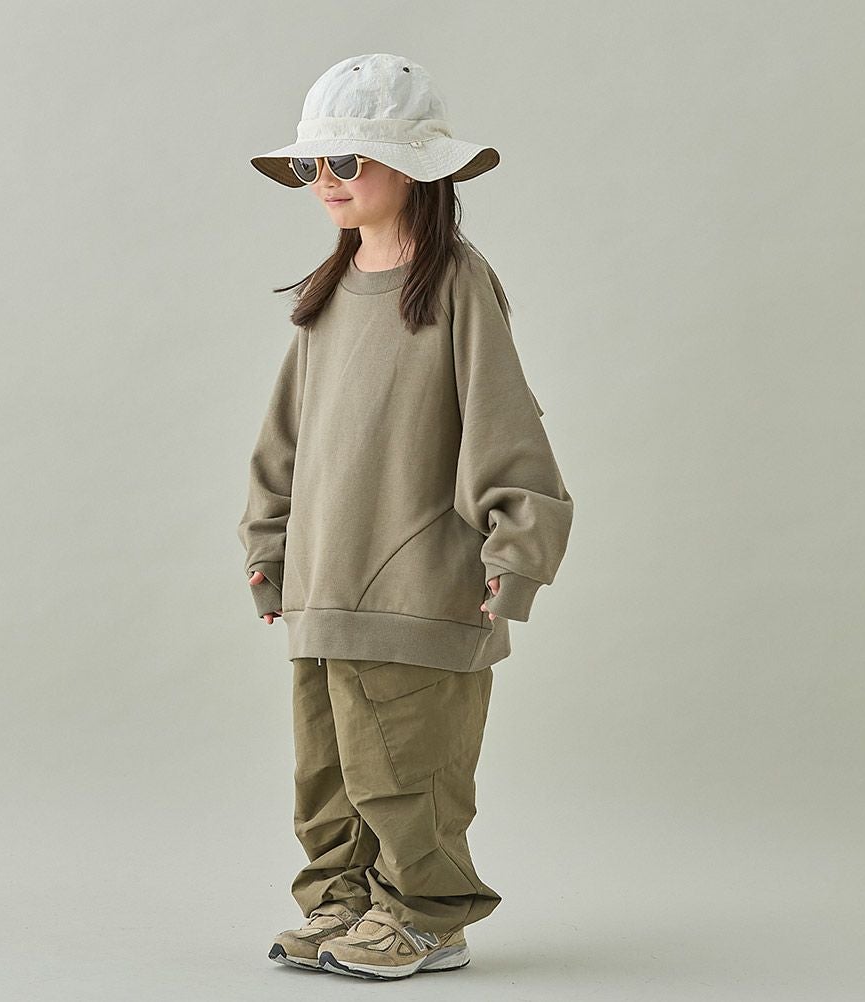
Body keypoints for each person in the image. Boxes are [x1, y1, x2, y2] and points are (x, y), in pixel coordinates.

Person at [237, 53, 574, 981]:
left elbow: (506, 427)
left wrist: (516, 554)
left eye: (347, 161)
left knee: (407, 769)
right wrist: (269, 546)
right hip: (325, 583)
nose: (327, 181)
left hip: (424, 588)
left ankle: (425, 917)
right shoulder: (330, 290)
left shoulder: (457, 282)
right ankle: (344, 903)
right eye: (313, 165)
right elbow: (286, 438)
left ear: (416, 168)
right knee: (328, 773)